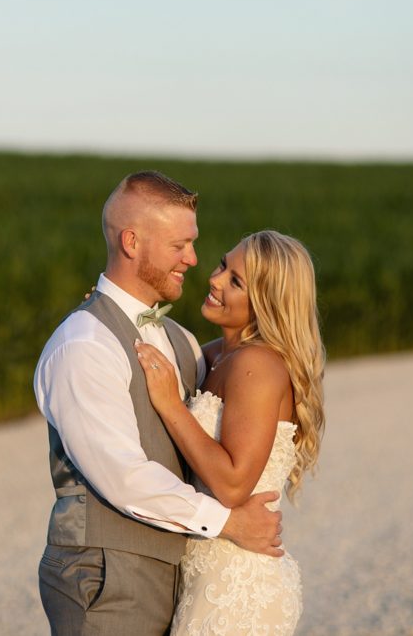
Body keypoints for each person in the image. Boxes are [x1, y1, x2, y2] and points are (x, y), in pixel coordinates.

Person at [34, 171, 284, 636]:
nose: (193, 259)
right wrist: (229, 522)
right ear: (132, 242)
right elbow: (123, 476)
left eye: (193, 244)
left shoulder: (183, 342)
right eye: (179, 246)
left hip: (178, 578)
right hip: (105, 576)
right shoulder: (84, 344)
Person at [133, 229, 326, 635]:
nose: (214, 279)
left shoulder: (256, 366)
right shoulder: (218, 354)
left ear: (265, 305)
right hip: (206, 570)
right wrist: (109, 316)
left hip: (239, 585)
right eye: (223, 265)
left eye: (235, 281)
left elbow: (234, 486)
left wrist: (171, 405)